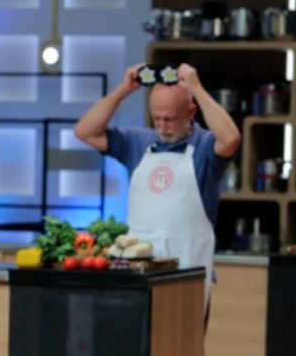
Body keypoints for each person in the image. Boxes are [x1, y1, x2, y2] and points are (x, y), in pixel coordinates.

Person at [74, 62, 241, 309]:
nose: (161, 126)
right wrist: (123, 90)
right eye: (157, 118)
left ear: (191, 112)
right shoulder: (139, 142)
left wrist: (197, 87)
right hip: (137, 279)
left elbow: (231, 139)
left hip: (187, 279)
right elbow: (85, 131)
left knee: (181, 348)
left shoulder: (205, 148)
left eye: (170, 119)